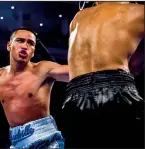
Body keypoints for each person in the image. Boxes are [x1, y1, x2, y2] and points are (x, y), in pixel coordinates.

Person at [62, 2, 144, 148]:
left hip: (74, 98)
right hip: (117, 90)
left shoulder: (77, 18)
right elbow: (135, 66)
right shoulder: (139, 11)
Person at [0, 28, 69, 148]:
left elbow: (76, 73)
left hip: (46, 140)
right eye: (20, 41)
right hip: (17, 142)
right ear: (9, 45)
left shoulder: (44, 69)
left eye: (30, 43)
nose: (25, 46)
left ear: (33, 52)